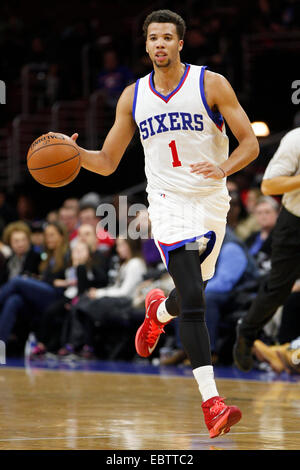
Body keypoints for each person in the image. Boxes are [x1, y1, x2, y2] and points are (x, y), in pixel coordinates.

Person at [51, 9, 259, 438]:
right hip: (166, 204)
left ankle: (158, 312)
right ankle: (212, 403)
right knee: (197, 303)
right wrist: (76, 154)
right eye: (153, 38)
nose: (160, 44)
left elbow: (251, 143)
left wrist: (224, 168)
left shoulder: (211, 84)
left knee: (189, 295)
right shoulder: (133, 96)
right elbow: (107, 162)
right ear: (146, 45)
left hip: (210, 203)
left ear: (181, 43)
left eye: (168, 37)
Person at [234, 127, 300, 372]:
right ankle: (247, 332)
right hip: (294, 221)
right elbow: (269, 186)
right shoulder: (295, 139)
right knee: (278, 289)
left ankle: (288, 351)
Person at [0, 222, 69, 345]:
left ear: (61, 236)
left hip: (58, 296)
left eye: (52, 235)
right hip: (39, 295)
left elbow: (66, 279)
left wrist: (42, 279)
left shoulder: (67, 254)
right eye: (46, 235)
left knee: (18, 281)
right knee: (13, 300)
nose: (48, 239)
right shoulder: (47, 256)